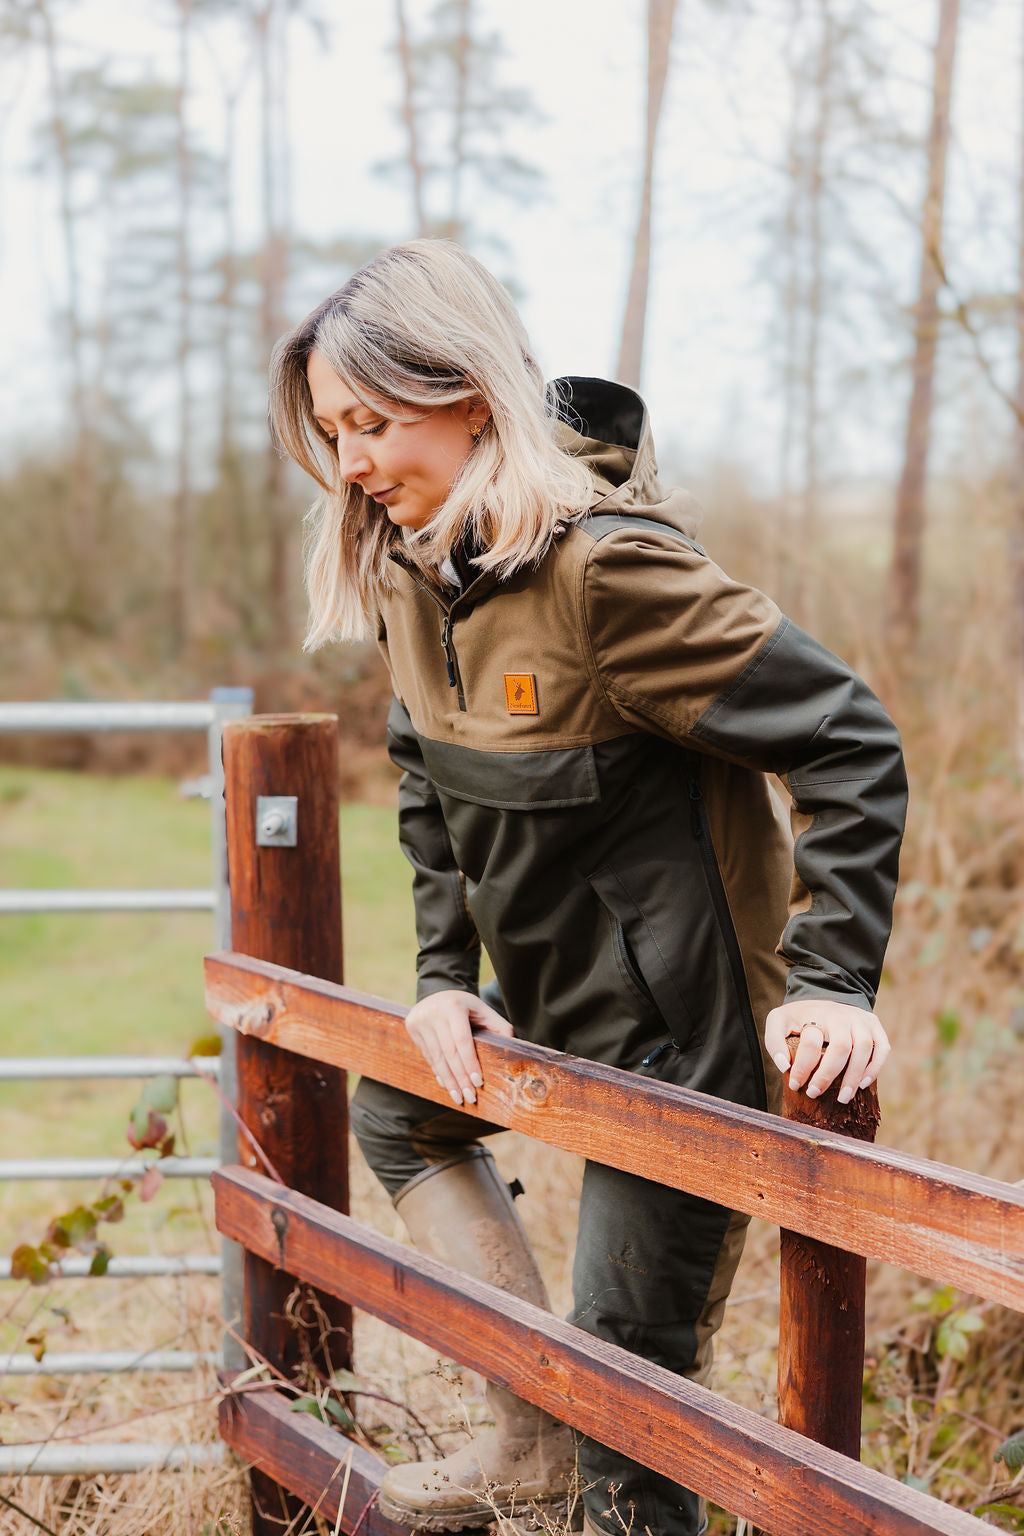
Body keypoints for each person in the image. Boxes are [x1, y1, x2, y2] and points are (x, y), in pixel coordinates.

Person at [268, 239, 907, 1536]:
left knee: (632, 1409)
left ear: (468, 395)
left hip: (683, 1044)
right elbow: (421, 779)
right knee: (398, 1109)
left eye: (374, 423)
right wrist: (446, 983)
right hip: (551, 995)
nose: (351, 463)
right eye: (334, 431)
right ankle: (528, 1434)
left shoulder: (606, 575)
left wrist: (832, 977)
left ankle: (586, 1449)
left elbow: (848, 735)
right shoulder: (411, 571)